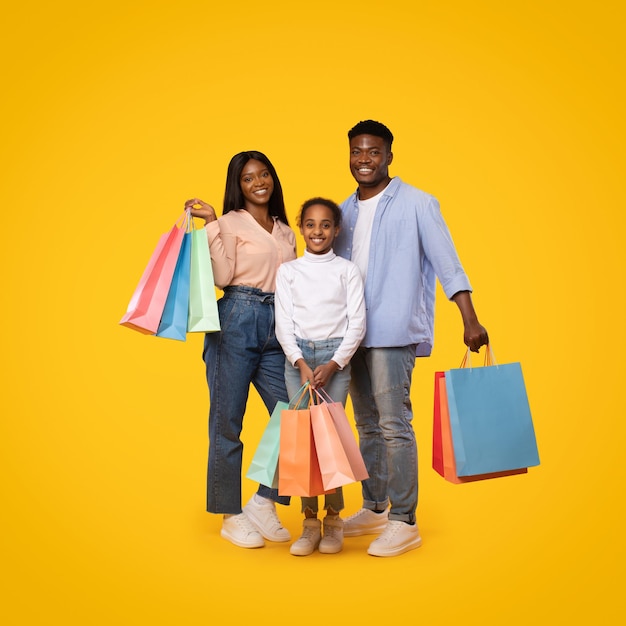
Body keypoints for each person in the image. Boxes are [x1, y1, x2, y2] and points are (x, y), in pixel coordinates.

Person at [333, 120, 489, 557]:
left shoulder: (420, 204)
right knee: (366, 425)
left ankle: (405, 520)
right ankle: (375, 507)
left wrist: (469, 319)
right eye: (357, 152)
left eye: (373, 152)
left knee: (393, 425)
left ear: (389, 156)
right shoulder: (343, 211)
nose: (364, 160)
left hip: (393, 330)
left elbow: (448, 264)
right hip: (352, 333)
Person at [185, 150, 297, 549]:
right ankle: (230, 515)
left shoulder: (285, 231)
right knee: (227, 421)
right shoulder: (229, 223)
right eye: (248, 178)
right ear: (239, 185)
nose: (258, 183)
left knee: (295, 415)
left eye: (264, 174)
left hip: (277, 323)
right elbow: (221, 276)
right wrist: (214, 224)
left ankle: (265, 501)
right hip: (236, 316)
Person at [275, 197, 366, 556]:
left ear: (336, 230)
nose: (318, 231)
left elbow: (357, 323)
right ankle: (309, 521)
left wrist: (334, 363)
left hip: (335, 360)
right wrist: (299, 362)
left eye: (325, 225)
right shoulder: (289, 271)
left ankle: (333, 519)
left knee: (330, 440)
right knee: (303, 441)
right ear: (301, 227)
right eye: (310, 224)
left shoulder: (347, 271)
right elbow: (284, 323)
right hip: (297, 358)